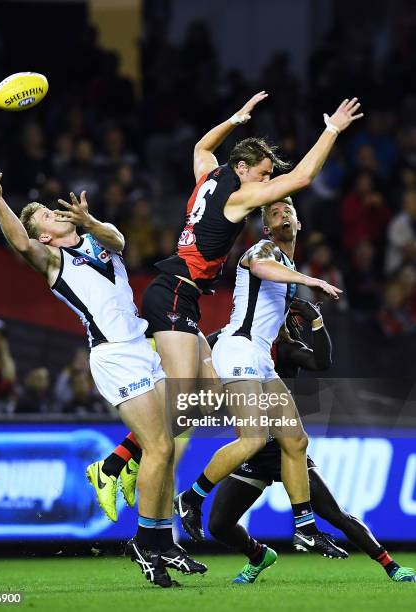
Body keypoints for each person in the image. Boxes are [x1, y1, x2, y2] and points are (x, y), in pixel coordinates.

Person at [90, 93, 363, 521]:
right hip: (174, 293)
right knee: (182, 402)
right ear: (241, 169)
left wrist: (234, 119)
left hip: (184, 297)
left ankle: (122, 461)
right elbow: (305, 177)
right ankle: (111, 468)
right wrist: (331, 131)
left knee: (199, 404)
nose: (264, 181)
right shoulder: (236, 198)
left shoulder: (209, 175)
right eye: (262, 174)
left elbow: (201, 148)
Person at [0, 161, 205, 588]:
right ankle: (147, 542)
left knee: (169, 444)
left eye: (51, 210)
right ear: (45, 234)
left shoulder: (99, 237)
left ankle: (154, 530)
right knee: (156, 447)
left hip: (142, 345)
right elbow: (21, 244)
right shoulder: (53, 260)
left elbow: (118, 238)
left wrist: (90, 220)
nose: (54, 214)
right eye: (46, 215)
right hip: (114, 356)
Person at [175, 198, 346, 559]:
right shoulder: (264, 249)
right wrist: (309, 280)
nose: (282, 213)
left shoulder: (287, 263)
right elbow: (259, 266)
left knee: (295, 441)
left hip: (259, 358)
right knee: (252, 439)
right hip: (238, 350)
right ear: (266, 227)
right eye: (274, 212)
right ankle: (190, 498)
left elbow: (270, 313)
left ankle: (305, 528)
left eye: (288, 210)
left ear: (298, 223)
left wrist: (288, 328)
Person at [207, 303, 416, 584]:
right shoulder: (239, 345)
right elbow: (206, 345)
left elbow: (321, 362)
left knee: (334, 514)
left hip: (283, 449)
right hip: (253, 449)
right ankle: (258, 556)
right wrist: (228, 331)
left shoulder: (284, 349)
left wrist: (317, 321)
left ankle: (391, 565)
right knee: (219, 525)